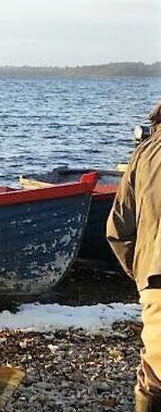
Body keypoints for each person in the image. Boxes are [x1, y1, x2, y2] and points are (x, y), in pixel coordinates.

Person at [107, 100, 161, 412]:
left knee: (154, 380)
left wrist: (143, 279)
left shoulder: (144, 153)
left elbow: (117, 229)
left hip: (156, 280)